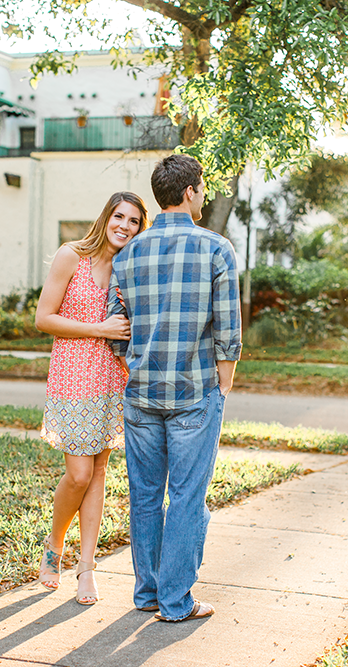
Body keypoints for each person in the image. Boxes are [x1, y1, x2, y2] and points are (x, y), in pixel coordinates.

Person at [107, 154, 242, 622]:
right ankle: (176, 602)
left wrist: (136, 364)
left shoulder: (127, 254)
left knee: (145, 497)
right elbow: (228, 329)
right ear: (189, 192)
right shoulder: (215, 248)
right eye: (202, 188)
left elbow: (115, 329)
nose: (203, 194)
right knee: (186, 497)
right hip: (194, 393)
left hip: (140, 395)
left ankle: (147, 594)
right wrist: (222, 386)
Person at [35, 191, 148, 605]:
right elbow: (43, 317)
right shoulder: (72, 256)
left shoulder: (129, 267)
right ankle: (54, 542)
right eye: (119, 216)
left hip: (111, 378)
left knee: (99, 473)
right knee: (79, 475)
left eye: (134, 221)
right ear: (106, 217)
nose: (125, 226)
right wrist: (99, 328)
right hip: (72, 376)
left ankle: (86, 568)